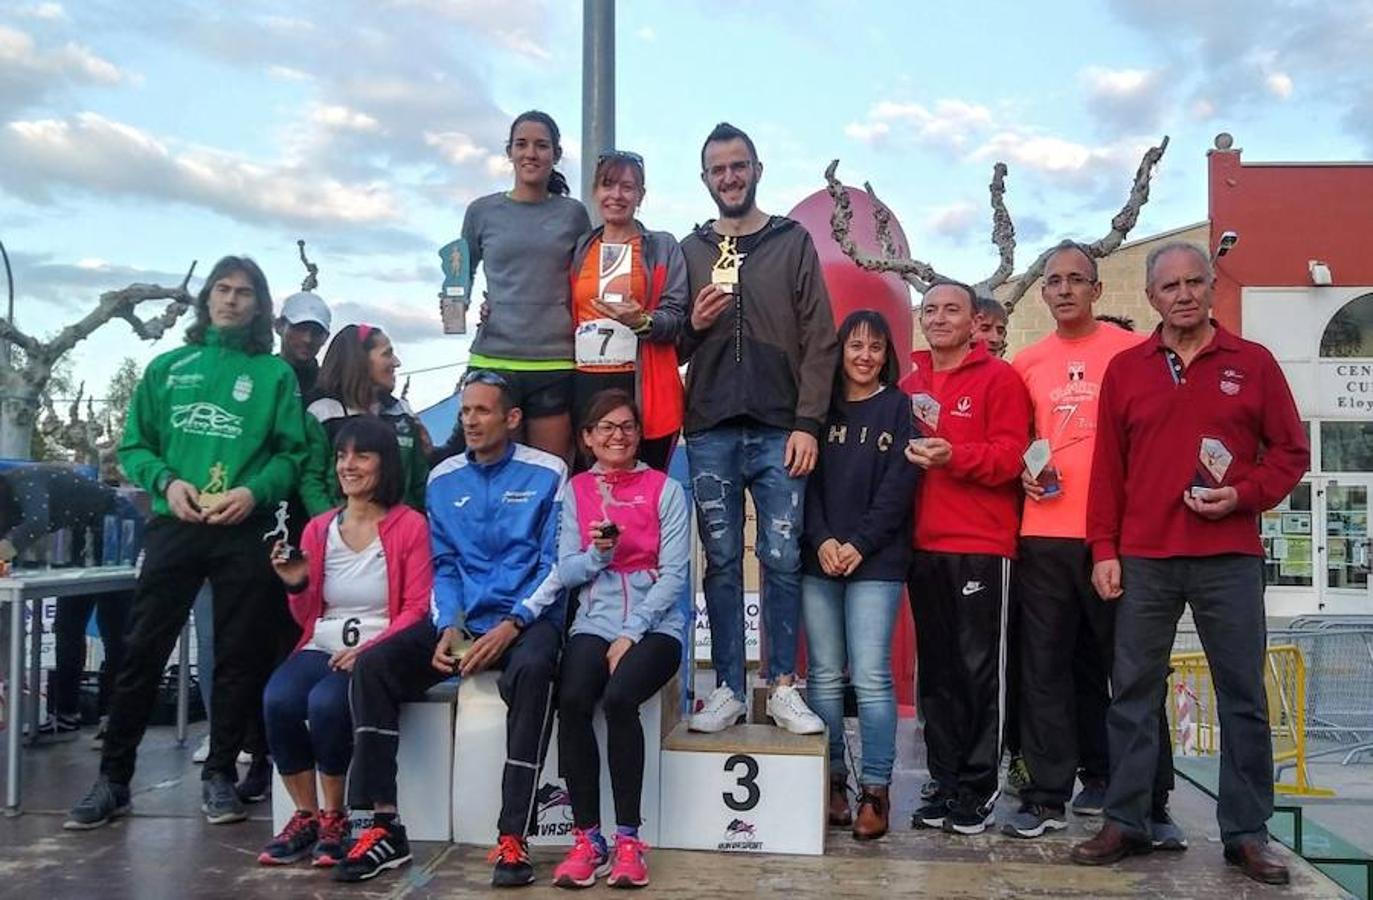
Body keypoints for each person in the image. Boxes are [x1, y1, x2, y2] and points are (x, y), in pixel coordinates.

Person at [1071, 243, 1308, 885]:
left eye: (1194, 282)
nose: (1183, 294)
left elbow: (1291, 451)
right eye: (1170, 285)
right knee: (1134, 697)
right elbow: (1107, 473)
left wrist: (1245, 494)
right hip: (1144, 557)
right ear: (1151, 298)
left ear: (1211, 288)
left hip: (1227, 557)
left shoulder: (1253, 365)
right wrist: (1103, 549)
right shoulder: (1127, 369)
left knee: (1243, 698)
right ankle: (1126, 820)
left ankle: (1247, 833)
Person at [65, 256, 310, 830]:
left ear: (259, 305)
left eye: (243, 292)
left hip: (243, 526)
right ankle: (113, 780)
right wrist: (166, 482)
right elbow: (134, 446)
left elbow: (293, 455)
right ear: (206, 301)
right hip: (175, 524)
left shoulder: (274, 376)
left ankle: (220, 773)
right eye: (221, 290)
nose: (230, 300)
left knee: (236, 657)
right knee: (140, 652)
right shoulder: (167, 366)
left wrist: (253, 492)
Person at [335, 370, 566, 886]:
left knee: (532, 673)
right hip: (464, 625)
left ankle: (513, 836)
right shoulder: (442, 479)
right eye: (465, 411)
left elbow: (557, 564)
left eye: (482, 411)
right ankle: (382, 825)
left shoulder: (549, 472)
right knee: (373, 666)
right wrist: (447, 627)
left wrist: (514, 623)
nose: (471, 420)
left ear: (511, 418)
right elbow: (443, 566)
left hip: (526, 623)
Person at [1005, 241, 1179, 845]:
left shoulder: (1132, 352)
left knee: (1129, 672)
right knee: (1046, 671)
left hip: (1116, 538)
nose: (1065, 290)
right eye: (1055, 281)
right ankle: (1047, 794)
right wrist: (1021, 470)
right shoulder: (1026, 363)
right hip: (1042, 536)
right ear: (1043, 292)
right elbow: (1018, 442)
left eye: (1078, 279)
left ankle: (1150, 803)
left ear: (1098, 291)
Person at [680, 122, 838, 735]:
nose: (729, 177)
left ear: (757, 170)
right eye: (718, 169)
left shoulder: (792, 240)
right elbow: (672, 340)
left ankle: (782, 686)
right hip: (711, 426)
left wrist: (807, 423)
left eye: (738, 165)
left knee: (780, 556)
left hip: (780, 429)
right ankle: (726, 687)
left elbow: (821, 337)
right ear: (705, 180)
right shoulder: (691, 249)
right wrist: (692, 323)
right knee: (720, 558)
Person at [257, 417, 433, 868]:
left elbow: (417, 607)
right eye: (341, 456)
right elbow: (307, 613)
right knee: (278, 699)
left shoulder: (409, 525)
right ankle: (305, 815)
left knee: (327, 704)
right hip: (322, 642)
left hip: (375, 649)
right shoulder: (317, 529)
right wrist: (296, 585)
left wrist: (372, 651)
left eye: (361, 455)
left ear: (385, 464)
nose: (348, 465)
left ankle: (334, 817)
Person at [901, 279, 1031, 836]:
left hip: (981, 547)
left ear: (974, 320)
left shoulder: (1000, 379)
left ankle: (978, 788)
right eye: (930, 309)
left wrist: (955, 456)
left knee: (982, 673)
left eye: (951, 309)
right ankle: (944, 778)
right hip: (922, 548)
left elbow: (1012, 457)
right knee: (938, 676)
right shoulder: (908, 385)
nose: (938, 318)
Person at [551, 390, 688, 889]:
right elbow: (566, 570)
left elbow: (674, 574)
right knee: (571, 698)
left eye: (627, 427)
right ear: (587, 438)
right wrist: (598, 556)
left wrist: (633, 632)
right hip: (594, 621)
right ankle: (588, 838)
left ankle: (629, 839)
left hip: (658, 627)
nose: (618, 436)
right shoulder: (576, 490)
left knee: (620, 697)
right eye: (606, 427)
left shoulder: (665, 489)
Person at [801, 311, 919, 841]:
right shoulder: (817, 408)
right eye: (855, 345)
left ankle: (876, 788)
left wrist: (859, 544)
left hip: (878, 560)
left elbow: (899, 486)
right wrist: (824, 539)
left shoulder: (899, 408)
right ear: (839, 351)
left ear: (886, 354)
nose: (865, 355)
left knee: (871, 677)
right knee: (824, 676)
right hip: (818, 557)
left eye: (875, 346)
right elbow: (804, 483)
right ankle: (831, 782)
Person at [447, 110, 592, 463]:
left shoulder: (574, 214)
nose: (531, 154)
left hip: (554, 362)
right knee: (491, 476)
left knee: (551, 477)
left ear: (556, 155)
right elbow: (457, 273)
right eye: (522, 145)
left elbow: (585, 281)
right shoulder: (481, 211)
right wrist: (456, 316)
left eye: (542, 146)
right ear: (509, 151)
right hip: (492, 361)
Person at [567, 151, 688, 472]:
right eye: (608, 185)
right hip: (587, 385)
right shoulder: (581, 248)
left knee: (644, 494)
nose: (617, 195)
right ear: (595, 191)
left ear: (641, 195)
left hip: (644, 386)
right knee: (591, 492)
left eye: (627, 187)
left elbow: (677, 317)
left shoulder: (662, 246)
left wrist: (644, 322)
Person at [0, 464, 138, 740]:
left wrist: (3, 552)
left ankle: (113, 718)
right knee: (67, 626)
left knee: (115, 627)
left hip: (116, 523)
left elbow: (37, 522)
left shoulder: (25, 480)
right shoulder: (8, 505)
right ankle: (65, 715)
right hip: (81, 533)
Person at [304, 324, 428, 511]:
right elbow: (311, 482)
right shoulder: (324, 413)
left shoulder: (401, 412)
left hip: (399, 534)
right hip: (342, 534)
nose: (396, 362)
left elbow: (420, 482)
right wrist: (333, 531)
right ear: (360, 360)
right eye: (387, 354)